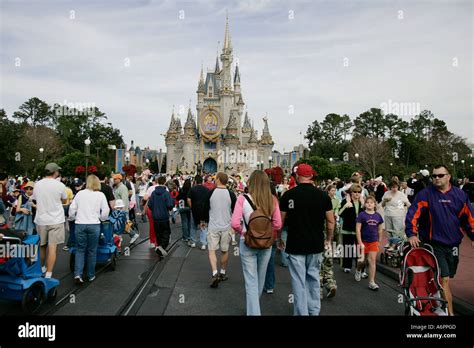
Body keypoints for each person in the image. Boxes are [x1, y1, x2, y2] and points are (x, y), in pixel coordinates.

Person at [405, 165, 474, 315]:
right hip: (433, 244)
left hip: (454, 245)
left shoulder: (460, 195)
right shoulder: (425, 194)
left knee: (447, 277)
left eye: (440, 175)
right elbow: (412, 214)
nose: (436, 178)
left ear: (448, 177)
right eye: (434, 176)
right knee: (444, 280)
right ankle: (450, 313)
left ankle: (435, 301)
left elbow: (469, 219)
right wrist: (411, 234)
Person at [278, 164, 334, 315]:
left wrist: (279, 238)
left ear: (297, 176)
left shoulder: (288, 195)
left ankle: (302, 312)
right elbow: (330, 222)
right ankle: (314, 311)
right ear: (311, 176)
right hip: (316, 244)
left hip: (295, 244)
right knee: (313, 278)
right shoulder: (323, 196)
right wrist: (328, 239)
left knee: (298, 281)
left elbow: (280, 222)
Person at [231, 170, 281, 315]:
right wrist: (266, 232)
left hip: (247, 243)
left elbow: (234, 223)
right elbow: (277, 224)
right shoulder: (272, 199)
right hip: (266, 245)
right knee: (260, 278)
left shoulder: (242, 198)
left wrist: (245, 233)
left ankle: (253, 312)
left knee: (250, 280)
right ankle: (254, 310)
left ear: (251, 182)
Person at [68, 175, 109, 283]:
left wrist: (72, 218)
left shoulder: (79, 194)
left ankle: (78, 274)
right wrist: (101, 218)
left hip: (80, 224)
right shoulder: (100, 195)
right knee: (92, 250)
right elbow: (105, 210)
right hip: (94, 225)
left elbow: (72, 209)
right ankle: (90, 275)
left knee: (80, 250)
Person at [31, 163, 67, 279]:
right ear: (55, 172)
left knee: (42, 246)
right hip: (56, 219)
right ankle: (49, 274)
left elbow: (35, 199)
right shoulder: (60, 185)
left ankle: (41, 268)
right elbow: (65, 199)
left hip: (41, 219)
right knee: (53, 248)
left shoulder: (38, 185)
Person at [205, 172, 236, 288]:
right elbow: (235, 210)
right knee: (224, 250)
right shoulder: (231, 194)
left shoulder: (211, 193)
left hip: (213, 225)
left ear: (218, 179)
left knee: (212, 250)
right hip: (226, 226)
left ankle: (214, 273)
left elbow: (205, 207)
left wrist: (203, 221)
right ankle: (222, 273)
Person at [355, 196, 384, 290]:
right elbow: (358, 229)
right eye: (367, 202)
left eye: (371, 202)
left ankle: (372, 282)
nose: (369, 204)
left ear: (375, 204)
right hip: (363, 241)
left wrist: (379, 241)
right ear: (365, 204)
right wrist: (360, 242)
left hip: (373, 241)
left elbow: (380, 230)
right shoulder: (362, 215)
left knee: (372, 261)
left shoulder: (378, 216)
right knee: (362, 261)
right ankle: (358, 270)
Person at [339, 184, 364, 273]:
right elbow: (340, 213)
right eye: (355, 192)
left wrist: (363, 204)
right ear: (351, 192)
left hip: (359, 231)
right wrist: (346, 205)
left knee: (360, 250)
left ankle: (360, 268)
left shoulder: (362, 202)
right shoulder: (345, 201)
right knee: (348, 248)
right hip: (347, 229)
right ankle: (347, 266)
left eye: (359, 192)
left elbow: (367, 214)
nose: (357, 194)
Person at [320, 184, 340, 298]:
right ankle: (331, 284)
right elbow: (332, 227)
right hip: (329, 241)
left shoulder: (320, 214)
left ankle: (319, 290)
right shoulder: (330, 213)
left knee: (319, 266)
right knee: (328, 264)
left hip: (320, 241)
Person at [148, 176, 175, 257]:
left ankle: (159, 247)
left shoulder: (153, 193)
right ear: (164, 182)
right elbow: (170, 205)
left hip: (155, 217)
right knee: (166, 233)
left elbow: (150, 205)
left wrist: (155, 210)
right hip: (164, 216)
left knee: (158, 234)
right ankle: (161, 247)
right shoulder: (166, 193)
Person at [382, 180, 410, 250]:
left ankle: (394, 244)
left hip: (398, 215)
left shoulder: (401, 194)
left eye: (396, 187)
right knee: (388, 230)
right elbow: (382, 205)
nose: (394, 189)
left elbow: (407, 203)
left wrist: (412, 210)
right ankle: (389, 242)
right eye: (393, 187)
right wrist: (385, 201)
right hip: (388, 214)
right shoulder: (386, 193)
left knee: (396, 231)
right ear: (390, 187)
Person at [187, 175, 210, 250]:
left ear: (195, 181)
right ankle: (203, 243)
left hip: (195, 210)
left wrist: (191, 207)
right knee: (203, 227)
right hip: (203, 211)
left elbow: (188, 200)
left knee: (193, 226)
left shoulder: (192, 189)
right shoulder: (207, 190)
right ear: (202, 181)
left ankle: (193, 242)